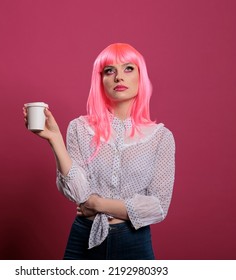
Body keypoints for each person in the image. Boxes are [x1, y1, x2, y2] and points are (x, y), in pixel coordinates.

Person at [22, 43, 175, 260]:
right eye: (109, 70)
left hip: (134, 241)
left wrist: (97, 204)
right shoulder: (79, 128)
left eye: (128, 68)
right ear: (100, 80)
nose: (118, 77)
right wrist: (55, 139)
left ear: (141, 77)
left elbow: (157, 207)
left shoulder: (161, 137)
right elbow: (78, 193)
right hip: (83, 236)